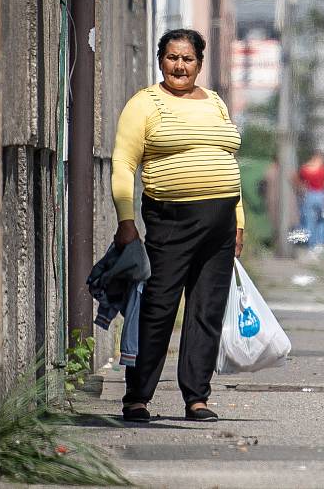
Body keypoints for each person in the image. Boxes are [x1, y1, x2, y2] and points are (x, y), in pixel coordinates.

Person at [111, 28, 245, 423]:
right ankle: (137, 397)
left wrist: (238, 221)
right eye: (172, 57)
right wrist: (125, 219)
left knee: (206, 310)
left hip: (220, 222)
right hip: (170, 220)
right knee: (159, 306)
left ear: (199, 64)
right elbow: (124, 164)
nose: (180, 66)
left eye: (188, 59)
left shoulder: (216, 103)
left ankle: (197, 397)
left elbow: (226, 162)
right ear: (160, 60)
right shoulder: (145, 104)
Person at [297, 150, 324, 250]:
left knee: (309, 220)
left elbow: (299, 180)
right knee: (321, 220)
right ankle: (320, 242)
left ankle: (311, 244)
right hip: (321, 195)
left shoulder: (305, 169)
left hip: (309, 194)